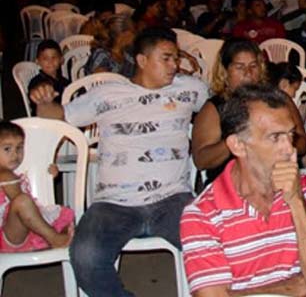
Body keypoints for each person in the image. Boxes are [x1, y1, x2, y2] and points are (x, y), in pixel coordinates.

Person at [30, 27, 210, 297]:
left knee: (212, 245)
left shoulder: (190, 90)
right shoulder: (108, 93)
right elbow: (59, 115)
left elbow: (221, 110)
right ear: (141, 60)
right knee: (85, 256)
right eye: (167, 58)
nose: (175, 65)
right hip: (114, 203)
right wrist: (43, 102)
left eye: (176, 58)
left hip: (173, 199)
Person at [180, 86, 306, 296]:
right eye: (275, 137)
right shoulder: (203, 214)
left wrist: (296, 201)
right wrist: (284, 289)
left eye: (290, 135)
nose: (289, 148)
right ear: (237, 145)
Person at [192, 38, 306, 186]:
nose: (248, 73)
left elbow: (303, 145)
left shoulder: (278, 99)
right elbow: (201, 160)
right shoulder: (215, 107)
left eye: (253, 66)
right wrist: (240, 138)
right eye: (240, 67)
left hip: (277, 177)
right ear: (225, 71)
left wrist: (277, 139)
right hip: (233, 183)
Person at [0, 120, 74, 252]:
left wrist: (47, 174)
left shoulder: (10, 173)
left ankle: (58, 237)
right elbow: (22, 204)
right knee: (23, 202)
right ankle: (54, 238)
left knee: (60, 219)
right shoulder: (5, 175)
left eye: (19, 148)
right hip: (6, 236)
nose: (15, 154)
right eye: (7, 149)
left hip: (14, 232)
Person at [26, 39, 68, 114]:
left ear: (61, 60)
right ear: (37, 61)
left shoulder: (63, 81)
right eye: (45, 58)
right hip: (45, 118)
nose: (50, 61)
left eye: (54, 57)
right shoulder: (36, 81)